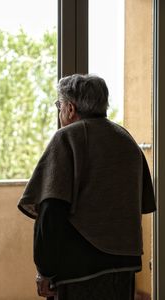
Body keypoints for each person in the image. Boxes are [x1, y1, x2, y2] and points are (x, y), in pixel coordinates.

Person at [17, 74, 156, 300]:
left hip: (78, 270)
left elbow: (52, 210)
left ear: (70, 108)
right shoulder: (127, 140)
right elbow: (141, 204)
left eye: (58, 105)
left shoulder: (67, 138)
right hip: (123, 269)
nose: (59, 110)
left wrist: (45, 270)